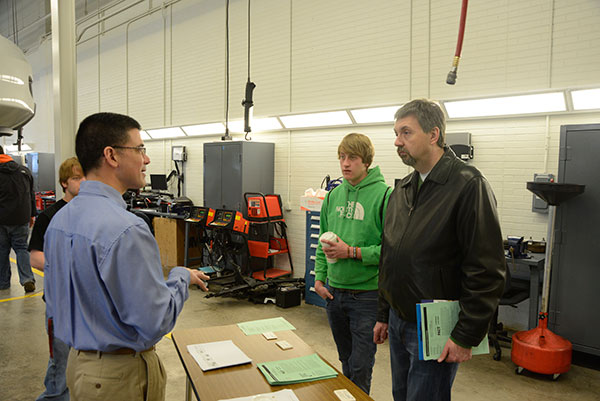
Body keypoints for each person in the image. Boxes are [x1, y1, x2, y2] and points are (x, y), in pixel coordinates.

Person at [43, 112, 209, 401]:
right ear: (112, 156)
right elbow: (154, 321)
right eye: (140, 149)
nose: (146, 159)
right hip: (118, 379)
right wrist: (181, 277)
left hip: (78, 368)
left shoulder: (60, 220)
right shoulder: (127, 229)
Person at [373, 99, 506, 401]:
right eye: (396, 133)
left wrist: (465, 335)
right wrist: (384, 312)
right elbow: (389, 256)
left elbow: (487, 269)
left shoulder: (468, 185)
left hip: (435, 327)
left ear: (434, 135)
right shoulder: (402, 189)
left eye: (406, 132)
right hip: (397, 320)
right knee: (401, 396)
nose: (397, 141)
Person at [314, 133, 391, 394]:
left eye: (353, 158)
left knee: (360, 366)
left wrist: (352, 252)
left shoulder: (385, 196)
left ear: (366, 161)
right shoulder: (333, 196)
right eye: (342, 157)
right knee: (345, 361)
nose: (345, 163)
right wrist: (319, 278)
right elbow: (322, 240)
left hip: (367, 297)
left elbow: (392, 252)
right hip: (335, 294)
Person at [29, 157, 85, 401]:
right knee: (60, 363)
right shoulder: (49, 216)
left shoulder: (91, 214)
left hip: (86, 301)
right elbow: (35, 257)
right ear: (64, 182)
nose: (82, 182)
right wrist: (66, 265)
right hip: (60, 302)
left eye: (85, 177)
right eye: (75, 178)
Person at [0, 145, 36, 292]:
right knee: (21, 249)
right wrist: (32, 214)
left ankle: (3, 283)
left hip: (1, 220)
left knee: (2, 251)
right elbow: (31, 195)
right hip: (22, 218)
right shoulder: (24, 171)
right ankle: (27, 279)